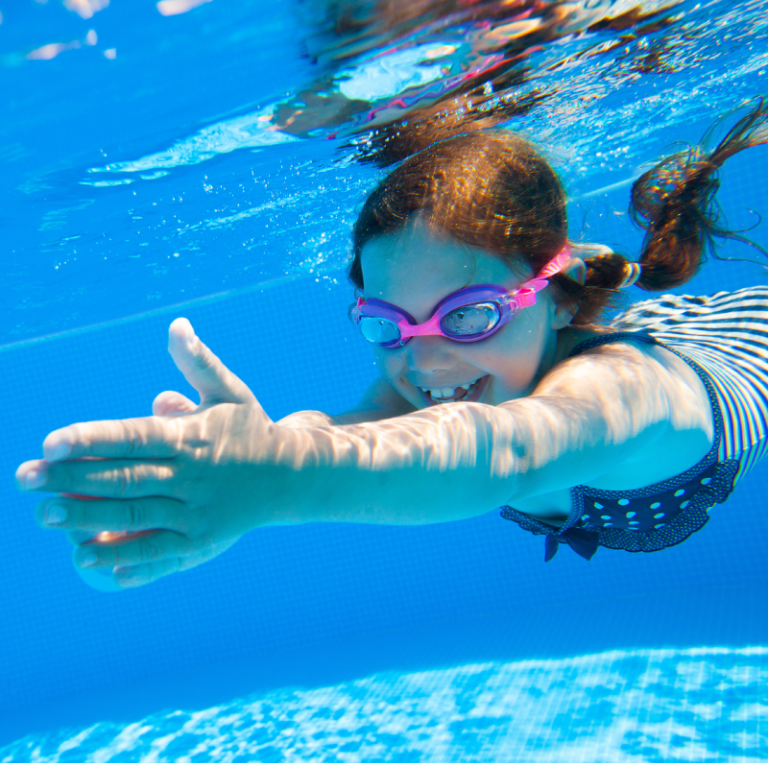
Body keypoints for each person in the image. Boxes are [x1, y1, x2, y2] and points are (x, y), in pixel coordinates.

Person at [15, 100, 768, 588]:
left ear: (555, 297)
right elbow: (331, 439)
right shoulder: (419, 385)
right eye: (391, 326)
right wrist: (243, 461)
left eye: (470, 317)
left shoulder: (623, 397)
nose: (428, 364)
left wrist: (284, 485)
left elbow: (505, 450)